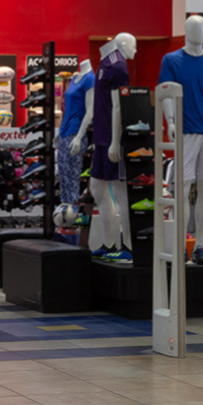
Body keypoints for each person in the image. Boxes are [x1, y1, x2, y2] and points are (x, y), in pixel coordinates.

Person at [159, 14, 203, 265]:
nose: (199, 32)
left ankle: (199, 246)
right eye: (194, 28)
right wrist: (170, 121)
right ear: (187, 31)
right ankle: (181, 245)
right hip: (186, 131)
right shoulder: (172, 60)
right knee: (183, 188)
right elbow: (166, 94)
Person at [73, 32, 136, 263]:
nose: (135, 51)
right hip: (102, 138)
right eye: (133, 46)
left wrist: (115, 141)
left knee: (121, 192)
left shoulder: (118, 66)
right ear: (122, 45)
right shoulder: (107, 63)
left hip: (111, 138)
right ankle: (109, 243)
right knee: (97, 187)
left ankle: (128, 246)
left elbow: (120, 106)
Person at [57, 60, 94, 205]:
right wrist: (59, 133)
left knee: (73, 177)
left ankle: (73, 210)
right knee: (64, 176)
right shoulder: (75, 77)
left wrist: (79, 137)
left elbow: (90, 111)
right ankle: (66, 210)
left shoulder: (90, 79)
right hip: (65, 131)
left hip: (76, 132)